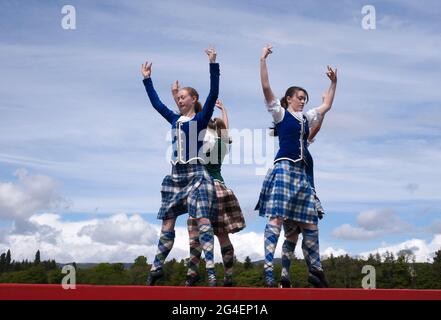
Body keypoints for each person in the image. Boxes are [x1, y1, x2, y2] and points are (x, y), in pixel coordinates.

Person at [255, 44, 335, 288]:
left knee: (311, 221)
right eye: (299, 98)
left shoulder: (306, 118)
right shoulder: (279, 114)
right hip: (284, 169)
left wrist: (334, 83)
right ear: (289, 98)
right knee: (277, 219)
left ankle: (316, 270)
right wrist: (263, 59)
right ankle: (269, 271)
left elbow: (327, 107)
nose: (302, 101)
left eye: (304, 99)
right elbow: (267, 87)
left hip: (301, 175)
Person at [141, 47, 220, 286]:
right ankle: (156, 268)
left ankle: (211, 270)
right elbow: (156, 104)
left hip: (197, 173)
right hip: (176, 176)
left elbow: (213, 93)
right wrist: (147, 79)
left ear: (192, 99)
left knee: (202, 221)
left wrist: (213, 65)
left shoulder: (200, 119)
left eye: (183, 96)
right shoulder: (174, 119)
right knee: (167, 222)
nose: (179, 99)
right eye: (178, 97)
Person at [171, 83, 246, 287]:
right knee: (222, 235)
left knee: (195, 235)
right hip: (221, 188)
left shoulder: (204, 140)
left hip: (202, 187)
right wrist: (225, 112)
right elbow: (226, 131)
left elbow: (192, 119)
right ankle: (228, 275)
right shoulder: (223, 144)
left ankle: (192, 273)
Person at [279, 72, 337, 288]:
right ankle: (314, 270)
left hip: (296, 191)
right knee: (307, 230)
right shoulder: (292, 135)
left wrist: (332, 85)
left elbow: (317, 126)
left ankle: (287, 275)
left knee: (292, 235)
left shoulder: (304, 142)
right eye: (300, 98)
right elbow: (316, 126)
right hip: (303, 190)